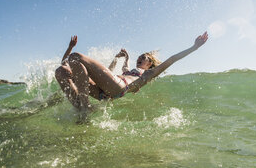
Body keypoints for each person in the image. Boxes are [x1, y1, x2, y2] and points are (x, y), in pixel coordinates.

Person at [55, 31, 208, 114]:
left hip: (119, 87)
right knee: (62, 70)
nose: (141, 57)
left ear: (151, 64)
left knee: (76, 57)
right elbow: (125, 66)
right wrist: (125, 57)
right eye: (140, 56)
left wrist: (194, 47)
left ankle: (85, 107)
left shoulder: (149, 74)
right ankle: (79, 108)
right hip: (104, 93)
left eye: (145, 57)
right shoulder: (129, 71)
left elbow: (172, 59)